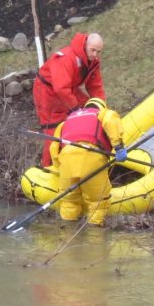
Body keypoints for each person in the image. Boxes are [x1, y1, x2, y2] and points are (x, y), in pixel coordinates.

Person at [48, 97, 127, 226]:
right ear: (101, 107)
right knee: (98, 203)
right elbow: (111, 121)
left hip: (66, 161)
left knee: (69, 201)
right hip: (91, 157)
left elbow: (54, 149)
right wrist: (119, 147)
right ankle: (94, 238)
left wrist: (59, 167)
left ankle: (67, 232)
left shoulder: (66, 122)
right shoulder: (103, 114)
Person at [33, 32, 106, 167]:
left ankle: (87, 148)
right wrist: (75, 109)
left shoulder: (92, 61)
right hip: (47, 91)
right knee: (53, 130)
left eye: (98, 51)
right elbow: (61, 89)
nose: (95, 54)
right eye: (93, 50)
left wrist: (101, 107)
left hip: (68, 87)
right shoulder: (65, 59)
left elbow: (95, 86)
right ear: (85, 45)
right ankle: (47, 168)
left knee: (89, 110)